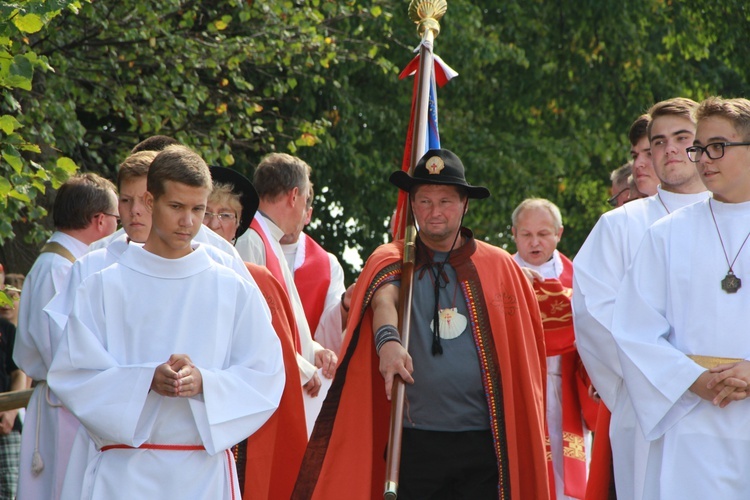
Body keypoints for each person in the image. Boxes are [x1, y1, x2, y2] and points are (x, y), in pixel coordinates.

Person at [293, 149, 549, 499]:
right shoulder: (393, 258)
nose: (434, 212)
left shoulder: (500, 267)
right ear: (412, 205)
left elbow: (525, 366)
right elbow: (385, 298)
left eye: (445, 201)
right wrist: (388, 342)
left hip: (484, 444)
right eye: (424, 201)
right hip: (413, 442)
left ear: (464, 205)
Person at [47, 145, 285, 499]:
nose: (188, 221)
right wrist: (145, 380)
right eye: (176, 207)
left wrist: (205, 381)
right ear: (149, 199)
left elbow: (266, 375)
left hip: (202, 475)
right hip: (124, 475)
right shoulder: (102, 285)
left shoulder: (231, 288)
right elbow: (73, 375)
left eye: (198, 209)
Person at [610, 96, 750, 498]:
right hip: (690, 424)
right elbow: (634, 330)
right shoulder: (668, 234)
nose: (704, 159)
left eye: (718, 146)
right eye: (699, 148)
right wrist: (694, 379)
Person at [573, 97, 710, 500]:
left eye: (682, 138)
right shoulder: (619, 226)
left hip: (732, 400)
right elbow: (596, 315)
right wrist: (677, 380)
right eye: (658, 142)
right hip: (650, 408)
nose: (669, 149)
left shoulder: (739, 219)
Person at [13, 173, 118, 500]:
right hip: (67, 404)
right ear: (100, 221)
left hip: (71, 403)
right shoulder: (59, 268)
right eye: (118, 217)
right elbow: (63, 350)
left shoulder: (66, 263)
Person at [204, 166, 308, 498]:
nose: (214, 224)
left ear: (239, 226)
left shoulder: (260, 281)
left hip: (247, 427)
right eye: (205, 212)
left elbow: (280, 365)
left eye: (225, 214)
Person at [512, 198, 595, 500]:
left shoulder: (580, 280)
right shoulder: (500, 276)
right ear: (513, 233)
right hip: (518, 389)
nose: (535, 242)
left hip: (566, 390)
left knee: (566, 481)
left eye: (543, 234)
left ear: (559, 233)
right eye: (526, 234)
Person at [235, 153, 337, 397]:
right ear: (294, 196)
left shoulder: (267, 237)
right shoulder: (252, 239)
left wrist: (312, 351)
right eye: (304, 200)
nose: (305, 211)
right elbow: (251, 325)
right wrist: (301, 365)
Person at [280, 186, 350, 356]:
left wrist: (346, 305)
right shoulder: (249, 243)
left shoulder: (328, 265)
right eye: (283, 206)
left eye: (295, 207)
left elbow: (329, 338)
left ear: (308, 215)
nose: (287, 214)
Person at [629, 114, 660, 196]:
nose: (637, 164)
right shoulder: (631, 209)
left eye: (650, 154)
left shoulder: (696, 208)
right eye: (635, 156)